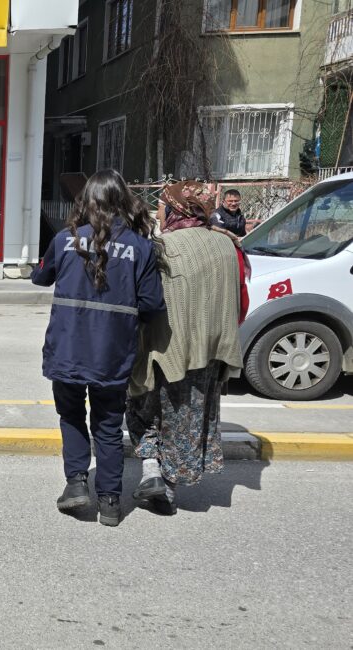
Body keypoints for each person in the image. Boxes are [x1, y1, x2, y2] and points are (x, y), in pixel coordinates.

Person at [31, 169, 166, 527]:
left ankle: (76, 483)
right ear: (123, 200)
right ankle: (109, 502)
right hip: (113, 353)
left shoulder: (65, 240)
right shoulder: (140, 247)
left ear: (86, 202)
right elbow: (152, 304)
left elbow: (40, 277)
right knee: (107, 427)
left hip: (68, 350)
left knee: (71, 416)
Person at [127, 181, 249, 515]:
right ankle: (167, 487)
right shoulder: (229, 245)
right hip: (211, 349)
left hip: (162, 347)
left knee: (144, 404)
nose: (159, 212)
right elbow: (241, 301)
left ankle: (152, 468)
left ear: (176, 208)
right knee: (188, 416)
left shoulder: (160, 247)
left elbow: (142, 298)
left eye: (163, 205)